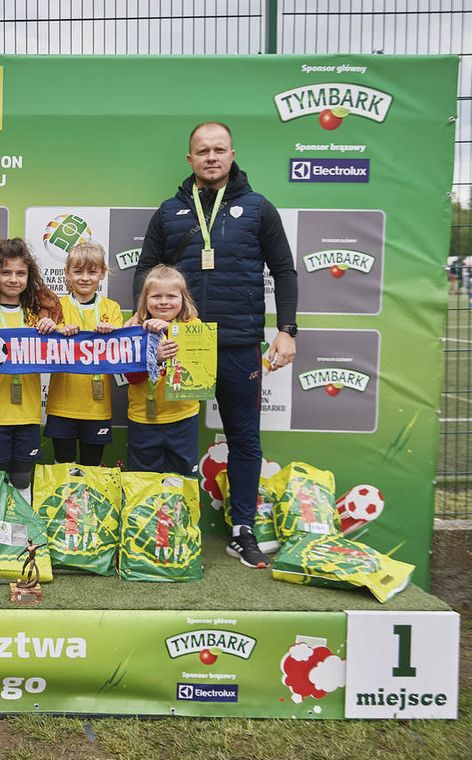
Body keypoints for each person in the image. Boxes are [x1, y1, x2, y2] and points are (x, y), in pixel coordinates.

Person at [134, 121, 297, 570]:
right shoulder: (170, 212)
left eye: (218, 150)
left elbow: (284, 271)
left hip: (238, 343)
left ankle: (241, 529)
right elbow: (146, 269)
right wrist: (143, 318)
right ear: (190, 159)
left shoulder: (259, 209)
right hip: (176, 343)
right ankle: (154, 525)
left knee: (244, 437)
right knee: (158, 432)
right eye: (202, 151)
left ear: (231, 155)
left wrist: (287, 329)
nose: (210, 157)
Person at [0, 238, 68, 498]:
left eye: (21, 273)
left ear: (29, 276)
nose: (14, 279)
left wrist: (51, 330)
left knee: (22, 480)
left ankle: (23, 535)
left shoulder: (36, 315)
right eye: (6, 272)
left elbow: (58, 349)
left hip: (28, 415)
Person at [45, 241, 124, 467]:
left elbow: (121, 348)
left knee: (92, 467)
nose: (85, 277)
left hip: (96, 407)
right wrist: (58, 332)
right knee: (63, 467)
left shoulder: (112, 308)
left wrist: (112, 335)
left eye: (92, 271)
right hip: (62, 404)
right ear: (67, 273)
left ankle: (87, 504)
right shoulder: (56, 307)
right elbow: (43, 343)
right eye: (78, 271)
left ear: (102, 274)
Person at [124, 265, 202, 475]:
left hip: (183, 417)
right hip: (143, 419)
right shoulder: (133, 328)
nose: (164, 301)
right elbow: (131, 377)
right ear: (145, 300)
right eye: (156, 296)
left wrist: (170, 330)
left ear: (183, 299)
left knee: (183, 479)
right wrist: (154, 359)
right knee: (143, 481)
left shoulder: (194, 325)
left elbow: (200, 368)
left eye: (171, 296)